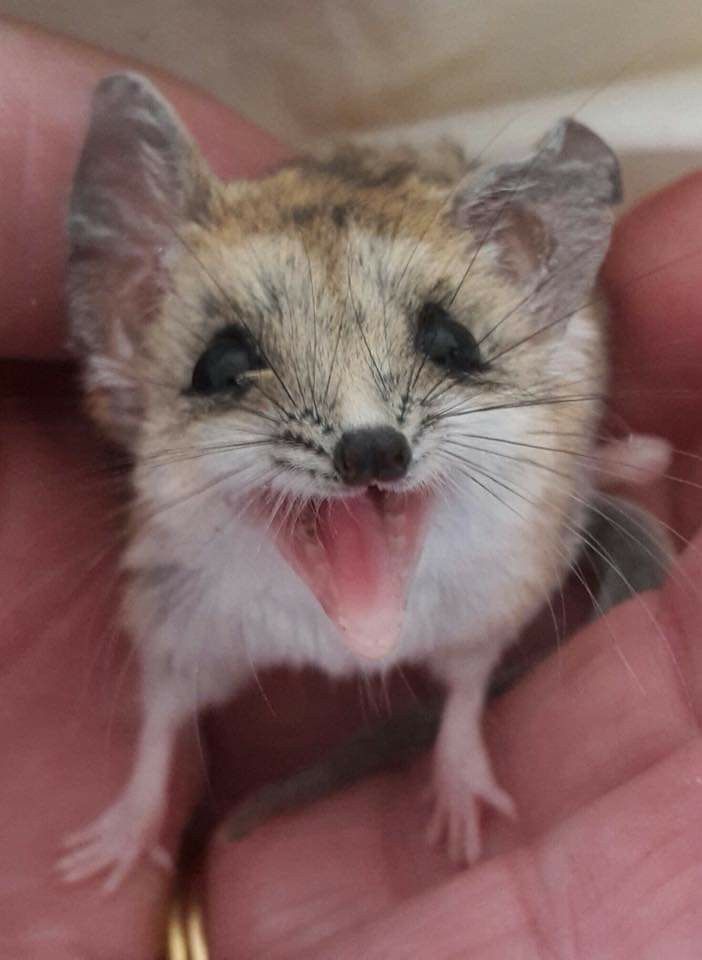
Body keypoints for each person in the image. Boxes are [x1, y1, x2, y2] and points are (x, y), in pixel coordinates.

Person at [2, 19, 702, 959]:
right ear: (127, 332)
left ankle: (463, 721)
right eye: (233, 363)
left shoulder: (532, 390)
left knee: (504, 567)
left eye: (447, 349)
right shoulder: (159, 438)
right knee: (176, 654)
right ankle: (143, 785)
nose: (363, 440)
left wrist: (464, 731)